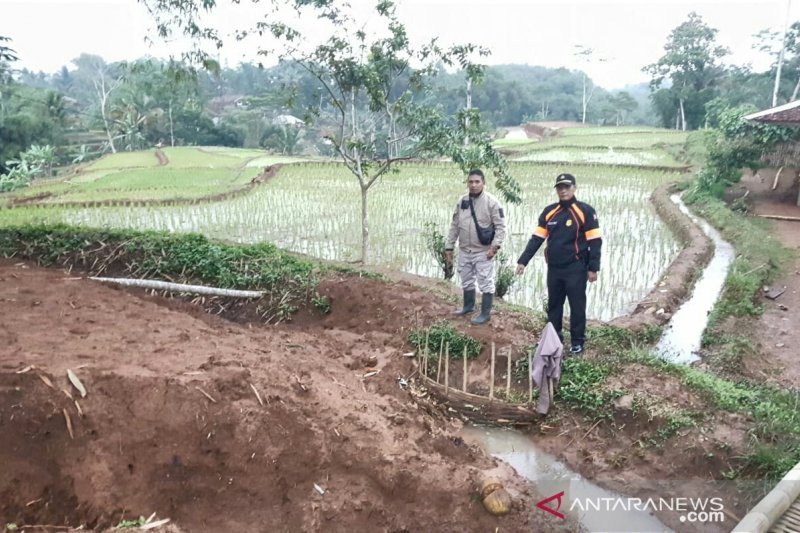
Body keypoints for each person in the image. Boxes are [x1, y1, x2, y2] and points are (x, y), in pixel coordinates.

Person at [515, 173, 602, 354]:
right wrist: (523, 261)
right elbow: (537, 238)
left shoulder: (585, 211)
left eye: (567, 187)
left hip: (576, 267)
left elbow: (595, 241)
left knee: (577, 305)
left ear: (574, 188)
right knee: (554, 305)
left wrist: (593, 268)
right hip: (554, 269)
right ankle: (554, 339)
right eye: (560, 187)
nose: (563, 190)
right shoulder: (549, 212)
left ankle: (577, 341)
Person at [444, 169, 507, 325]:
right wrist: (449, 246)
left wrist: (495, 247)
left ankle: (485, 313)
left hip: (483, 251)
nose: (473, 185)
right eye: (470, 182)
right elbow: (455, 225)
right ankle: (468, 306)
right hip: (465, 249)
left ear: (484, 183)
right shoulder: (462, 201)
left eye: (477, 182)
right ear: (467, 183)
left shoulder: (492, 203)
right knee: (466, 280)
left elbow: (501, 227)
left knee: (486, 282)